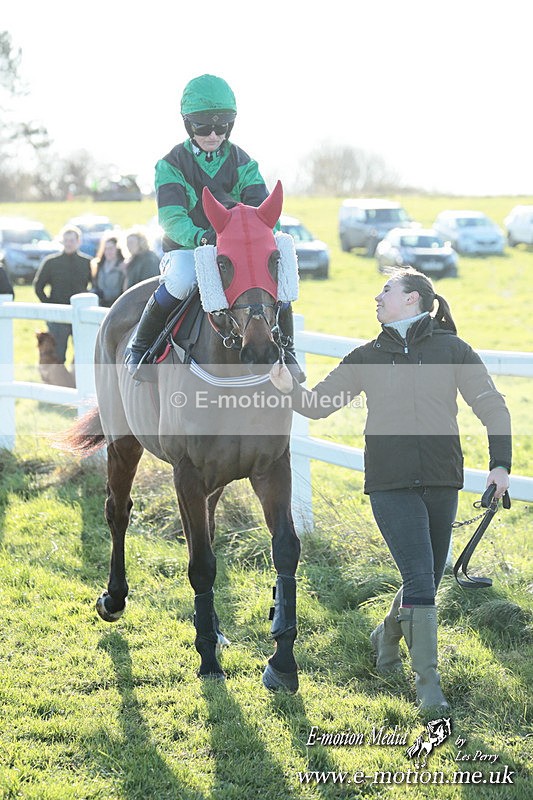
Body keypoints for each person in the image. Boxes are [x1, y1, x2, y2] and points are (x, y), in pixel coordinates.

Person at [270, 267, 512, 710]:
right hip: (389, 482)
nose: (376, 298)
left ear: (413, 299)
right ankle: (428, 688)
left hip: (443, 479)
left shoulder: (452, 349)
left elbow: (491, 405)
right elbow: (318, 405)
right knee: (421, 578)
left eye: (386, 290)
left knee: (428, 578)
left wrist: (500, 465)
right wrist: (289, 387)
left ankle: (386, 634)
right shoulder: (366, 357)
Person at [124, 73, 303, 381]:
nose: (213, 134)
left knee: (278, 275)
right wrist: (202, 236)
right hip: (188, 249)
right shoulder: (170, 164)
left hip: (233, 251)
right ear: (187, 124)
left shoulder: (243, 161)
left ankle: (287, 351)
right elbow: (171, 218)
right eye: (203, 126)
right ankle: (140, 348)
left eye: (222, 126)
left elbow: (260, 212)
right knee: (181, 279)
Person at [33, 226, 92, 364]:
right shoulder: (51, 262)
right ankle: (57, 382)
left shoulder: (87, 262)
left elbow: (95, 285)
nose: (69, 243)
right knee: (58, 354)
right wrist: (49, 305)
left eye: (72, 240)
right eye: (66, 240)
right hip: (57, 316)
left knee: (83, 352)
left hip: (80, 313)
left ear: (78, 241)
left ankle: (77, 381)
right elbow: (38, 286)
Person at [91, 236, 126, 307]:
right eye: (106, 249)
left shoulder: (123, 266)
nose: (108, 252)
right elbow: (95, 285)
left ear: (117, 249)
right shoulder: (99, 265)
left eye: (111, 248)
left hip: (116, 305)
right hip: (100, 305)